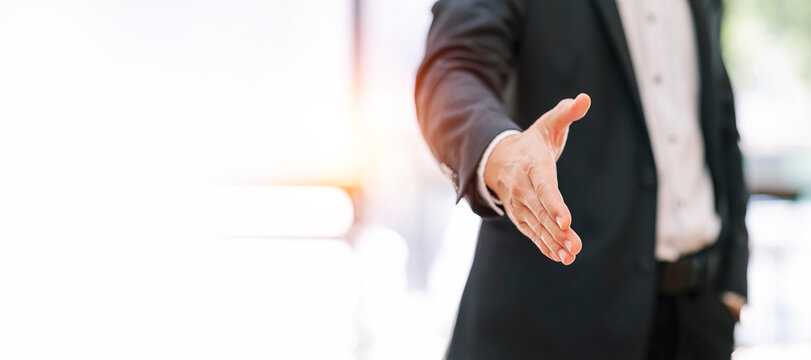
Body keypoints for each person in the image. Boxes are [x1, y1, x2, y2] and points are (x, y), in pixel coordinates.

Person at [414, 0, 748, 359]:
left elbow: (720, 120)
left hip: (698, 322)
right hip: (554, 322)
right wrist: (501, 152)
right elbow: (452, 70)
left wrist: (732, 286)